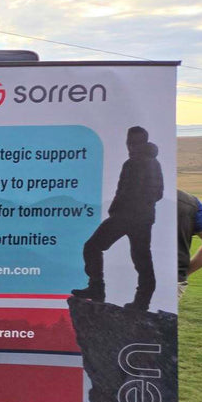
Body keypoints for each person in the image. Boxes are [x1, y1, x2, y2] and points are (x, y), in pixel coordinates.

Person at [72, 125, 163, 311]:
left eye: (136, 142)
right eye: (130, 142)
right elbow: (153, 193)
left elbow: (151, 193)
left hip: (129, 216)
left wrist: (122, 208)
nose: (132, 146)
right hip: (138, 217)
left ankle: (99, 290)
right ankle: (139, 301)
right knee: (141, 258)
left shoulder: (139, 163)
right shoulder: (146, 162)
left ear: (143, 142)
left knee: (94, 247)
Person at [177, 189, 202, 298]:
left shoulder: (126, 197)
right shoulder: (190, 202)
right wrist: (184, 273)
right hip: (173, 279)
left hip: (129, 276)